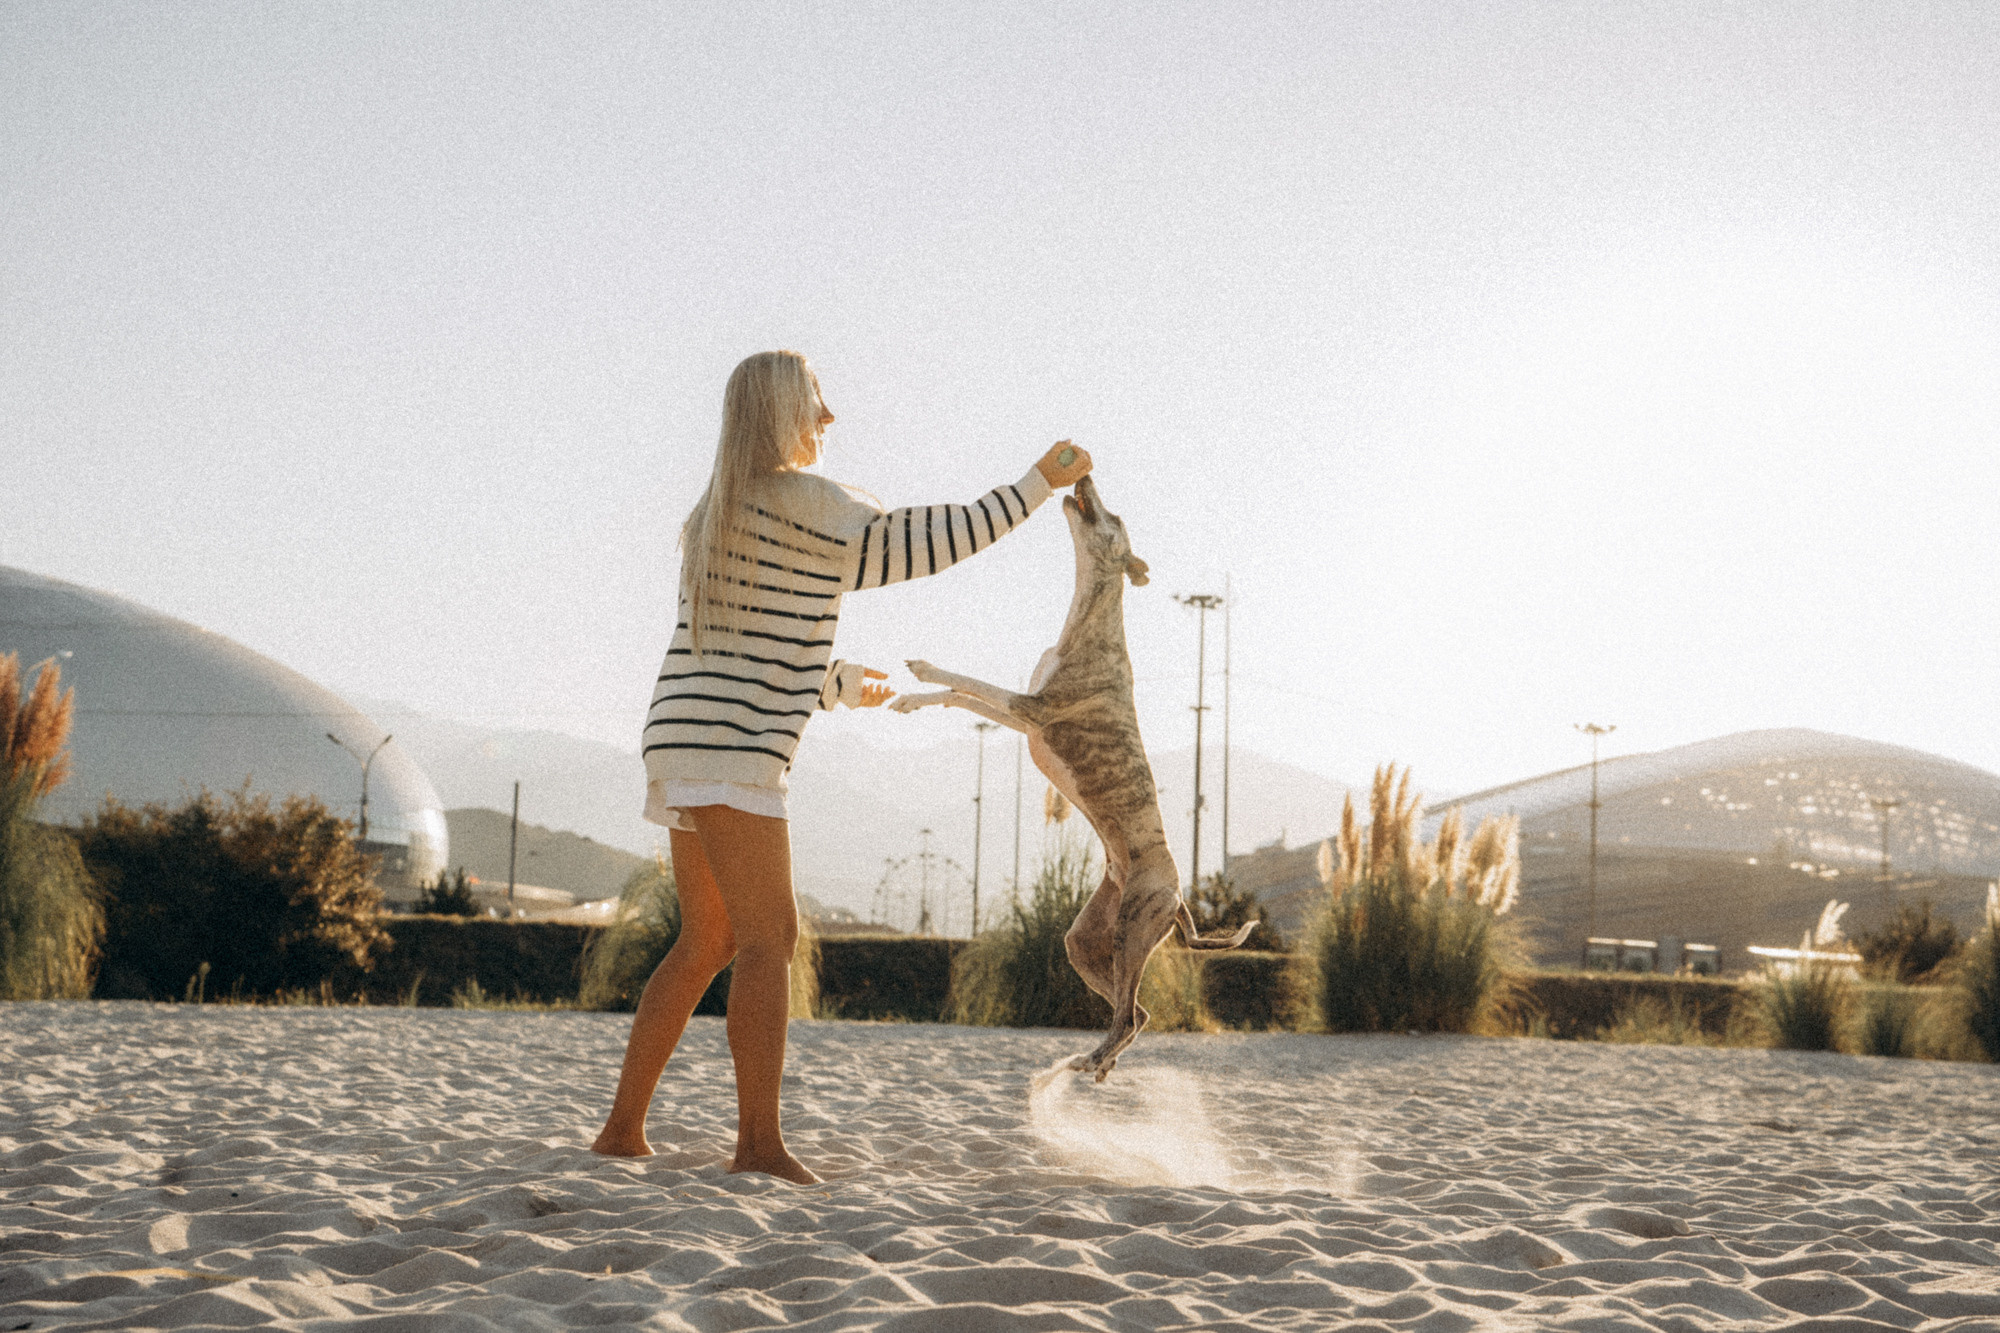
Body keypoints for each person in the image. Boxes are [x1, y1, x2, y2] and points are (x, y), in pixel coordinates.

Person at [592, 350, 1092, 1182]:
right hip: (733, 748)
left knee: (707, 938)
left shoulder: (717, 510)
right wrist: (1038, 482)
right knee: (771, 938)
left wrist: (833, 686)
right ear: (781, 412)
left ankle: (621, 1130)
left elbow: (739, 651)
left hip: (681, 736)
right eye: (816, 402)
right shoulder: (813, 506)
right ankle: (757, 1145)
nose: (830, 418)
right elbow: (935, 540)